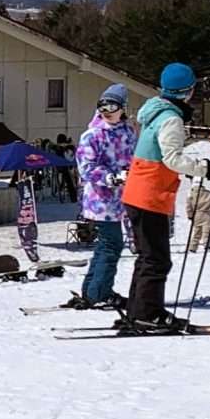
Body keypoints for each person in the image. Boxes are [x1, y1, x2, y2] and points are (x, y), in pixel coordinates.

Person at [119, 62, 209, 334]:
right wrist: (207, 168)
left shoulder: (154, 112)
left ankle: (138, 311)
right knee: (157, 259)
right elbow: (173, 159)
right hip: (150, 195)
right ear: (187, 91)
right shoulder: (171, 118)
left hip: (139, 192)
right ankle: (148, 314)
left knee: (147, 257)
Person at [67, 83, 135, 311]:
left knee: (107, 245)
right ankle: (100, 292)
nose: (107, 111)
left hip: (120, 199)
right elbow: (86, 167)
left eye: (112, 106)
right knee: (111, 244)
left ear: (123, 108)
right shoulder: (93, 135)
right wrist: (111, 177)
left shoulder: (127, 132)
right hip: (101, 200)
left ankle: (92, 290)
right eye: (102, 106)